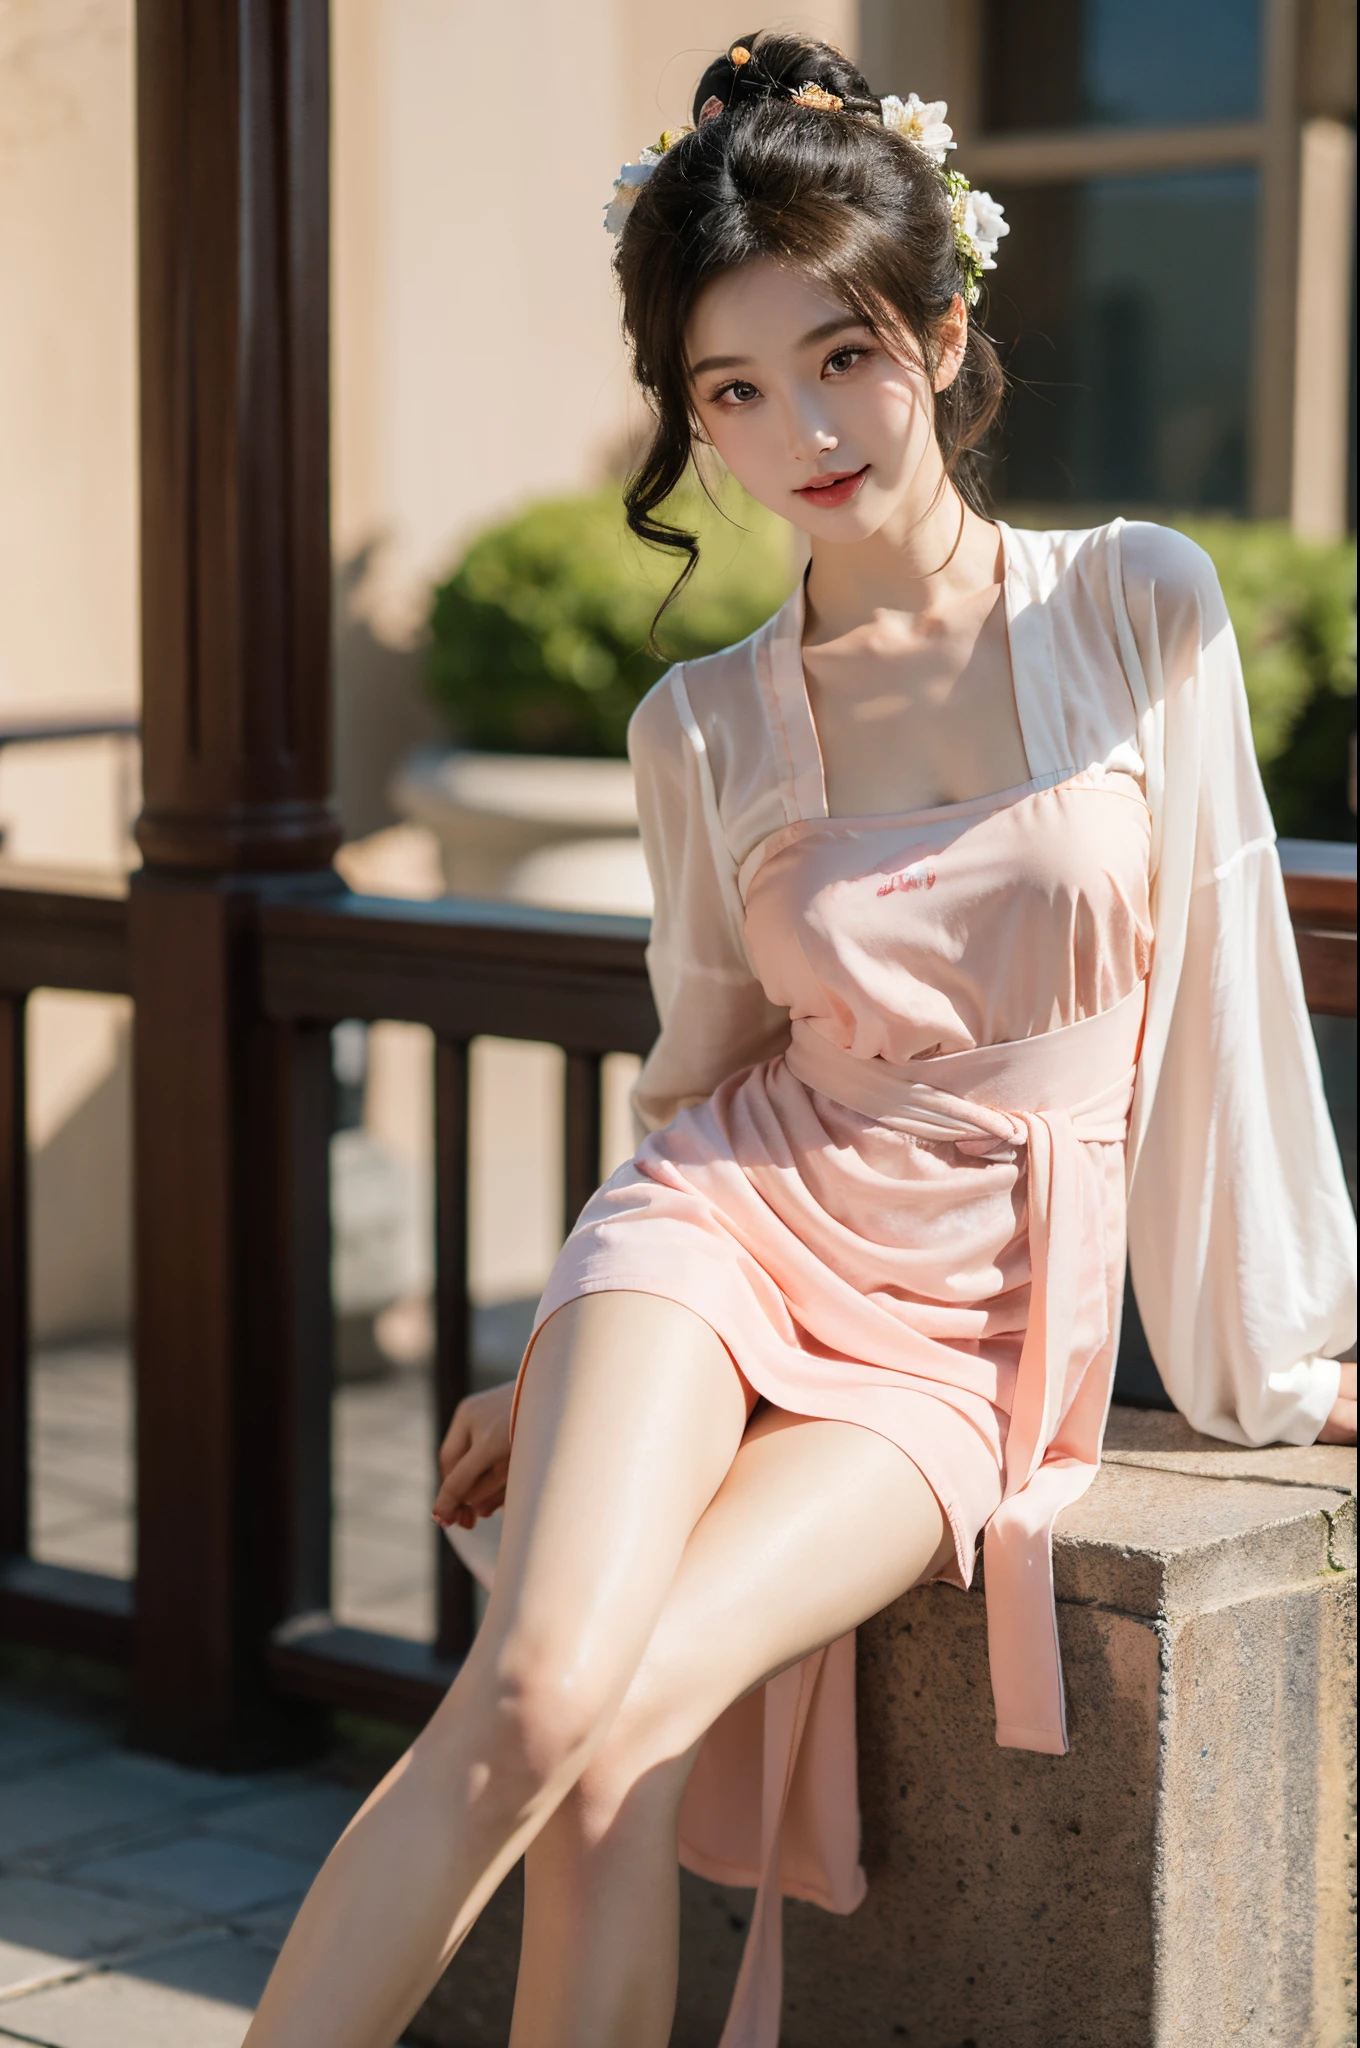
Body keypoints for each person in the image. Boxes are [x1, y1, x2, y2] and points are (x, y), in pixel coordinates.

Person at [245, 33, 1356, 2048]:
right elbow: (695, 1072)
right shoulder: (705, 722)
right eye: (730, 392)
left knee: (625, 1724)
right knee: (538, 1700)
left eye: (837, 356)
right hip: (717, 1227)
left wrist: (1277, 1349)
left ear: (936, 330)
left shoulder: (1131, 607)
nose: (798, 429)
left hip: (961, 1323)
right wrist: (558, 1341)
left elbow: (1222, 983)